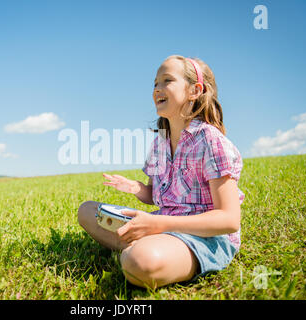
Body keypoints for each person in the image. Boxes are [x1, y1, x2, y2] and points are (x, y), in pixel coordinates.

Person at [77, 55, 245, 289]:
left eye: (167, 80)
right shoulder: (159, 144)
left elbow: (228, 220)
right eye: (155, 83)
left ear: (194, 90)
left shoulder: (210, 141)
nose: (158, 89)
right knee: (87, 211)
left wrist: (158, 226)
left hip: (203, 237)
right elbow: (155, 196)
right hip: (161, 222)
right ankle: (143, 246)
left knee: (141, 262)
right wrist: (136, 188)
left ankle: (138, 252)